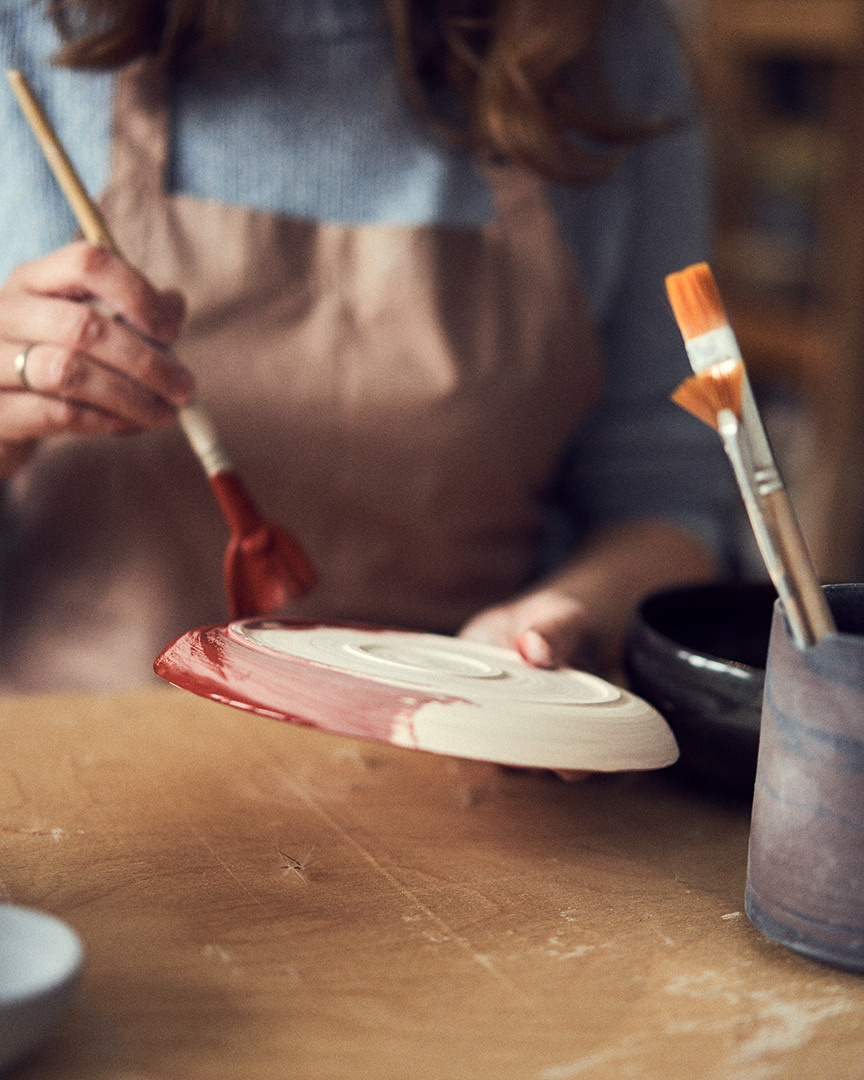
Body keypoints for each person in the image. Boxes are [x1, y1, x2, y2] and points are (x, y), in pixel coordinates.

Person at [0, 0, 729, 694]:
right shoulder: (26, 35)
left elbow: (670, 502)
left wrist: (562, 617)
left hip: (461, 759)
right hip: (83, 767)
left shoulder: (608, 47)